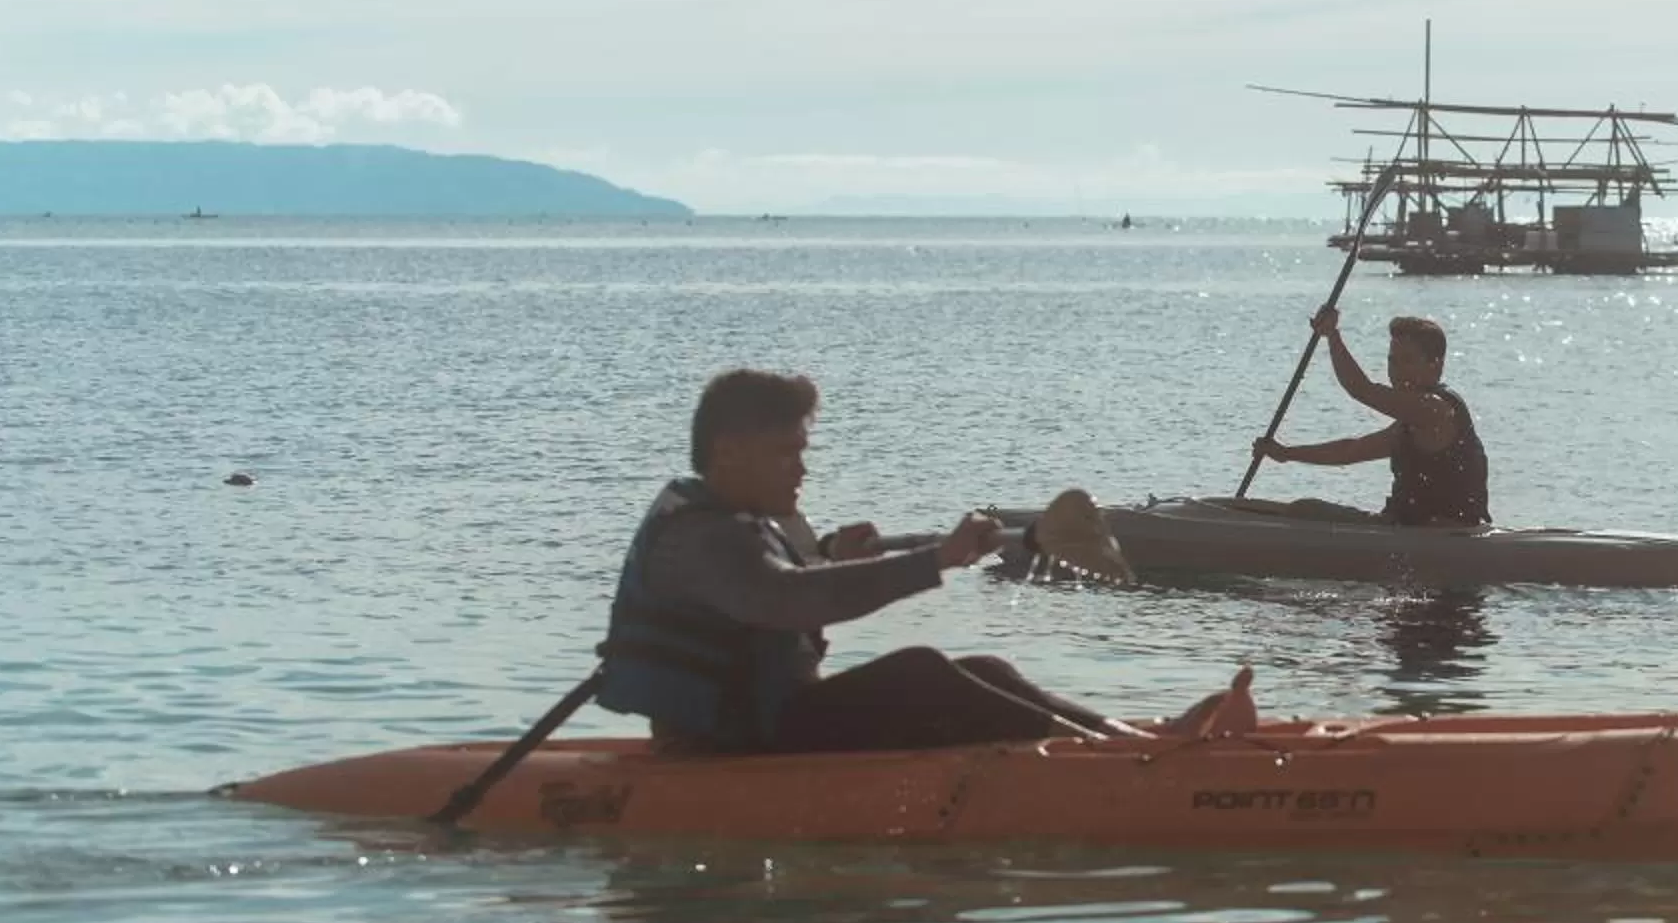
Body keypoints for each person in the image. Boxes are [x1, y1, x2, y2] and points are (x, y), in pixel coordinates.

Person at [598, 369, 1249, 754]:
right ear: (729, 453)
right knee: (920, 671)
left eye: (802, 450)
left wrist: (836, 557)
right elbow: (785, 600)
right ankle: (1116, 759)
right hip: (726, 740)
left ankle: (1129, 741)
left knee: (985, 669)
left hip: (766, 719)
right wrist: (937, 560)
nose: (801, 468)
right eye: (785, 452)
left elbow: (786, 586)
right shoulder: (700, 538)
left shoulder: (733, 522)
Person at [1251, 310, 1491, 526]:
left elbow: (1361, 389)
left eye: (1408, 361)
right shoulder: (1411, 424)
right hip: (1405, 529)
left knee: (1303, 511)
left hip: (1440, 536)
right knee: (1303, 509)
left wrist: (1332, 336)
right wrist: (1285, 453)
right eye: (1392, 361)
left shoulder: (1435, 410)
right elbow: (1349, 451)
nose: (1397, 372)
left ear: (1435, 366)